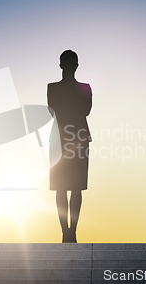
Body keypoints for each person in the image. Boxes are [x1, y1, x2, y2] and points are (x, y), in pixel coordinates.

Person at [47, 50, 92, 243]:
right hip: (69, 138)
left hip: (70, 138)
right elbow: (83, 110)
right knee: (66, 187)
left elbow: (55, 110)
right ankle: (69, 231)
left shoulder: (56, 88)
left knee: (71, 187)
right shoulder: (80, 88)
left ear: (61, 65)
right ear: (76, 65)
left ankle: (69, 231)